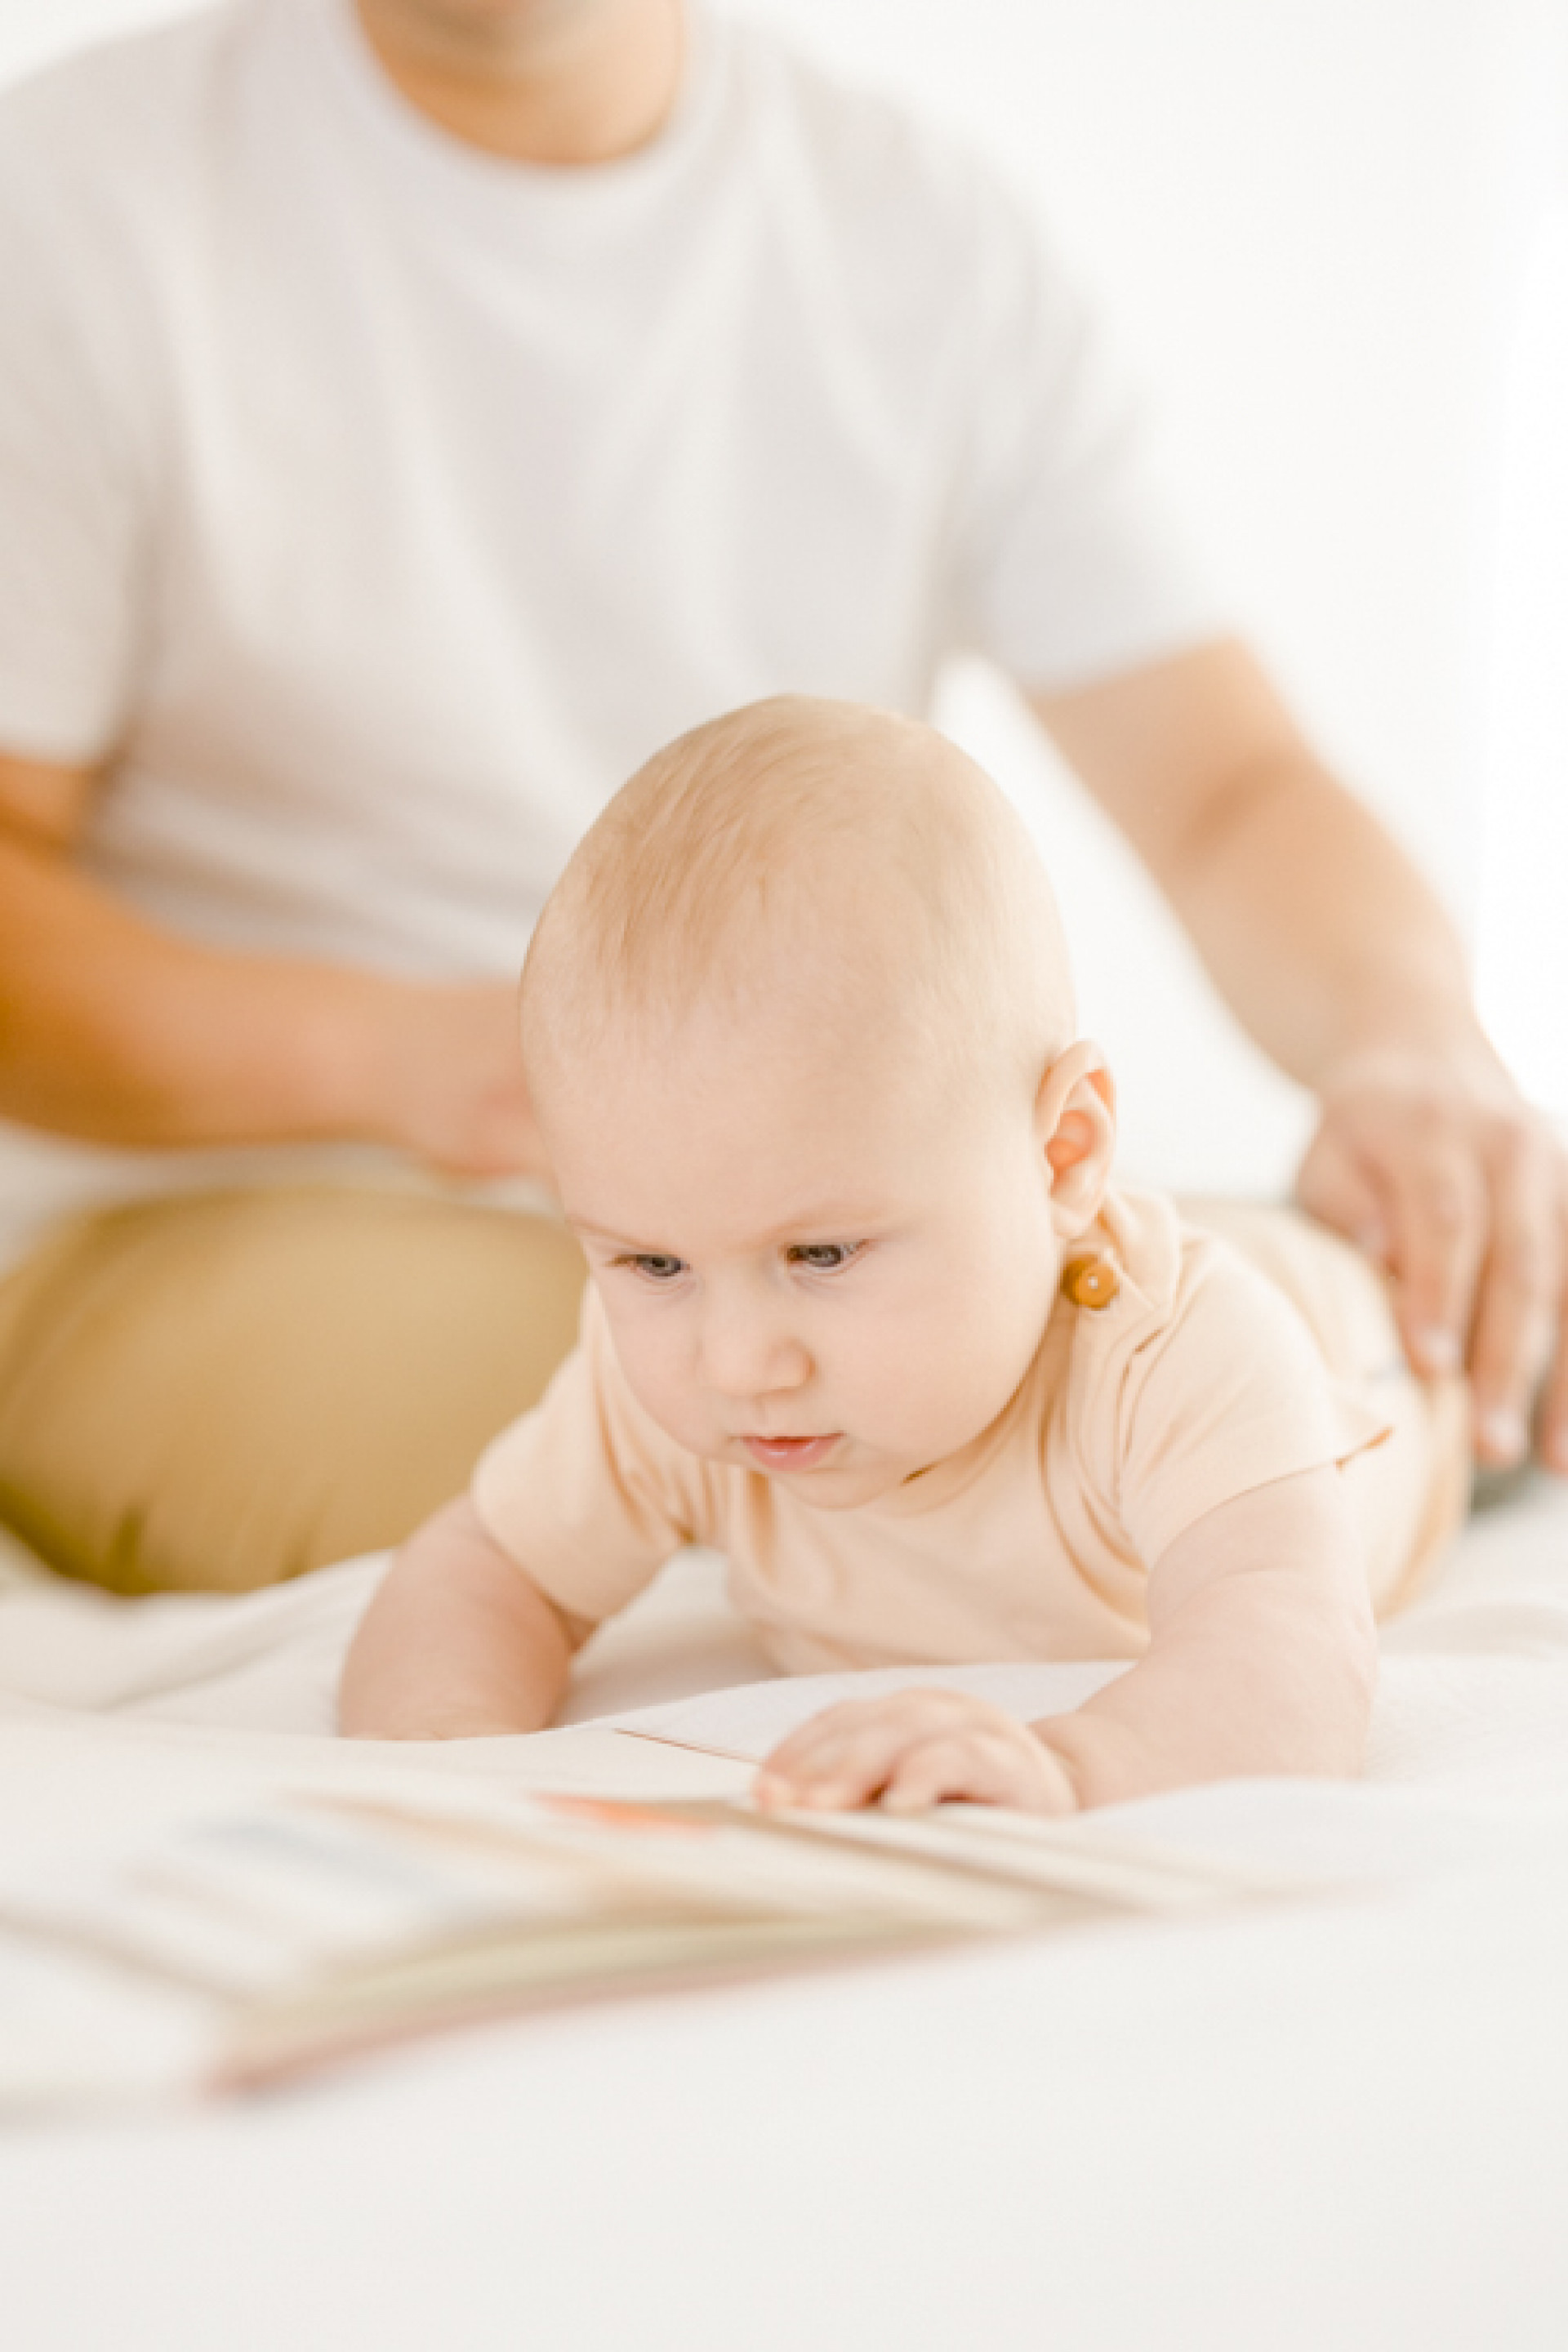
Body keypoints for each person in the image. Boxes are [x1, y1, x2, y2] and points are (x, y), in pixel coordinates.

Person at [0, 0, 1556, 1600]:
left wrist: (1411, 1042)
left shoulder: (920, 236)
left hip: (786, 1212)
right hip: (198, 1223)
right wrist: (428, 1060)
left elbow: (1231, 788)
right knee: (767, 1437)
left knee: (1264, 1317)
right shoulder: (77, 204)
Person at [338, 697, 1468, 1814]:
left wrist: (1075, 1768)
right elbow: (485, 1570)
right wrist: (447, 1762)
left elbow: (1291, 1651)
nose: (737, 1364)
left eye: (820, 1254)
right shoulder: (674, 1380)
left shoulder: (1178, 1358)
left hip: (1386, 1343)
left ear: (1062, 1151)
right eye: (650, 1266)